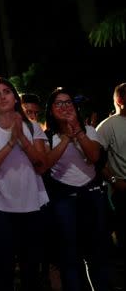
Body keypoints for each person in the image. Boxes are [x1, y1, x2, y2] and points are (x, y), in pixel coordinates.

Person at [0, 76, 48, 291]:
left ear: (15, 98)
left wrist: (22, 139)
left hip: (32, 206)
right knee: (3, 271)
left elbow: (42, 166)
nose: (2, 97)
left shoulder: (33, 127)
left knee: (31, 271)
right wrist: (10, 143)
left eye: (6, 91)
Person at [44, 87, 109, 291]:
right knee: (70, 257)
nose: (64, 107)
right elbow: (45, 164)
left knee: (97, 254)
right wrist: (65, 138)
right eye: (59, 103)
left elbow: (95, 157)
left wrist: (78, 131)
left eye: (68, 102)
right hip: (63, 198)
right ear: (51, 110)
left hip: (91, 195)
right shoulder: (46, 137)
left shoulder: (89, 130)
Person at [96, 82, 126, 289]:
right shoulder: (107, 126)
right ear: (119, 100)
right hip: (123, 190)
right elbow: (95, 159)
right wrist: (114, 181)